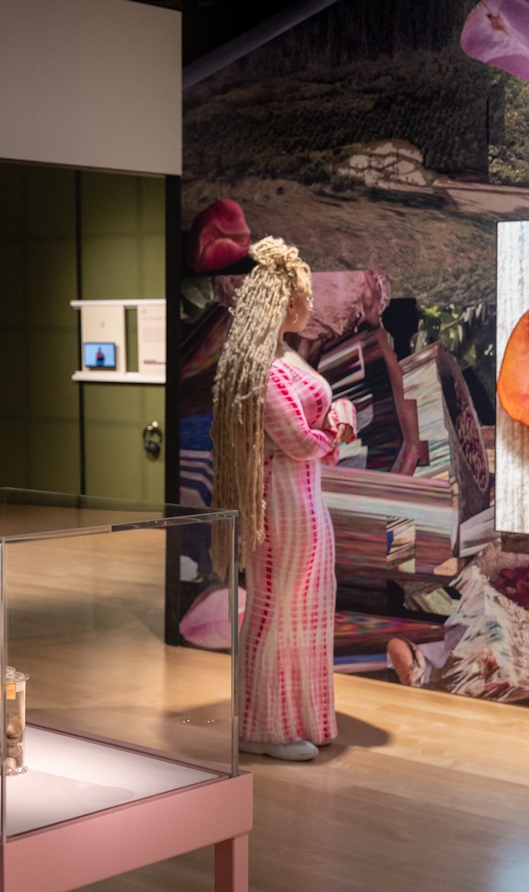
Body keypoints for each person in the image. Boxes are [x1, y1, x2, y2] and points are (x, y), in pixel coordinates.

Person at [211, 236, 356, 762]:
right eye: (303, 295)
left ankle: (299, 719)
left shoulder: (282, 356)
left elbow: (314, 425)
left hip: (304, 496)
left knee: (303, 609)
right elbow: (296, 439)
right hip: (281, 500)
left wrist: (336, 420)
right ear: (281, 301)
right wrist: (335, 429)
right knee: (274, 610)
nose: (310, 304)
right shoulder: (263, 369)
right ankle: (261, 727)